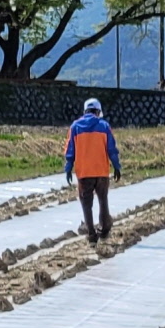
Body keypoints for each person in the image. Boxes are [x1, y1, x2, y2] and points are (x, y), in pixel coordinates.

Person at [64, 97, 121, 240]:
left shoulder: (75, 127)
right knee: (103, 200)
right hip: (101, 171)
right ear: (98, 111)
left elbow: (70, 150)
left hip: (84, 172)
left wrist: (68, 167)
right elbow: (111, 149)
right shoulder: (104, 126)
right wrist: (116, 166)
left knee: (86, 204)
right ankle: (105, 229)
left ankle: (91, 234)